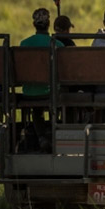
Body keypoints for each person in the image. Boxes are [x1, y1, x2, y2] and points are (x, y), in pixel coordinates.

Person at [20, 8, 64, 152]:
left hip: (29, 93)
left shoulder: (24, 44)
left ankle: (41, 137)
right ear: (49, 24)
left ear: (34, 24)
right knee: (58, 103)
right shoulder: (57, 45)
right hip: (52, 93)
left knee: (36, 109)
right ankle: (53, 135)